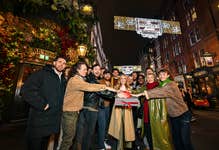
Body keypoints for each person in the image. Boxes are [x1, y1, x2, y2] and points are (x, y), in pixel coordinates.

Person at [59, 62, 115, 150]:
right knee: (68, 140)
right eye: (84, 69)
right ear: (78, 70)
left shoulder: (81, 79)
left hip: (75, 112)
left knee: (74, 137)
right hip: (70, 112)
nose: (86, 71)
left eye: (86, 69)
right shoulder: (75, 80)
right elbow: (89, 86)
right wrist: (107, 88)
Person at [135, 69, 194, 150]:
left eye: (163, 74)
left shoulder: (170, 84)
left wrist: (143, 93)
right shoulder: (161, 85)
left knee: (185, 140)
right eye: (160, 75)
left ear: (168, 75)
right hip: (173, 115)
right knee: (176, 139)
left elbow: (160, 91)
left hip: (182, 114)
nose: (161, 76)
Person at [21, 56, 67, 150]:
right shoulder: (41, 74)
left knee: (44, 145)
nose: (61, 64)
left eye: (64, 63)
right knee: (34, 145)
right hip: (39, 118)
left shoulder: (63, 79)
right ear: (54, 63)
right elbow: (26, 90)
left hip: (52, 120)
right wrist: (42, 104)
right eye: (59, 62)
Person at [75, 64, 115, 150]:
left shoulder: (94, 79)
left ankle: (97, 145)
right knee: (87, 133)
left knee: (90, 132)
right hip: (90, 108)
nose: (97, 71)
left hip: (93, 107)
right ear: (92, 70)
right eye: (95, 69)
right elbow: (101, 91)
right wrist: (115, 94)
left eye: (99, 69)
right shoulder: (91, 79)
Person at [108, 74, 135, 150]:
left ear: (126, 80)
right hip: (118, 109)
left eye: (124, 78)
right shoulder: (116, 87)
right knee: (119, 126)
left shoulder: (129, 88)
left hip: (127, 109)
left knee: (127, 126)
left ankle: (127, 146)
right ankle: (119, 146)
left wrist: (128, 96)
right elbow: (113, 97)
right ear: (120, 79)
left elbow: (132, 99)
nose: (123, 80)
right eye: (121, 78)